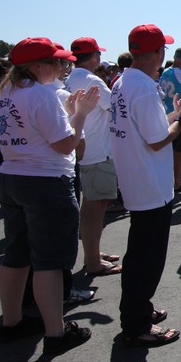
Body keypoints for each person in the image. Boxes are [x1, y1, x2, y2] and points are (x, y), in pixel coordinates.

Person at [0, 38, 98, 355]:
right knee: (49, 261)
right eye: (57, 63)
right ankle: (56, 332)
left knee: (16, 254)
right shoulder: (42, 94)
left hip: (11, 175)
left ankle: (11, 322)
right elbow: (65, 145)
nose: (62, 68)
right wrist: (80, 113)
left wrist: (67, 112)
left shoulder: (6, 92)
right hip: (45, 181)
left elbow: (19, 132)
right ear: (39, 66)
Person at [110, 24, 181, 346]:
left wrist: (176, 113)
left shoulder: (125, 81)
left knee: (140, 254)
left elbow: (149, 129)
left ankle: (139, 309)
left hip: (137, 179)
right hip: (149, 183)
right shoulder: (142, 87)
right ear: (158, 52)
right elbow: (156, 141)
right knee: (146, 259)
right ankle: (136, 324)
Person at [65, 36, 121, 277]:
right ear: (95, 57)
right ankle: (92, 260)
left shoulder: (71, 78)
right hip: (98, 150)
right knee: (95, 207)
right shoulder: (91, 79)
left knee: (91, 204)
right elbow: (114, 105)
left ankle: (93, 252)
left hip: (88, 149)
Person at [158, 47, 181, 192]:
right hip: (177, 113)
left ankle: (169, 179)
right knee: (179, 150)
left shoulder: (165, 71)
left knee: (168, 149)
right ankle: (176, 180)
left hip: (166, 112)